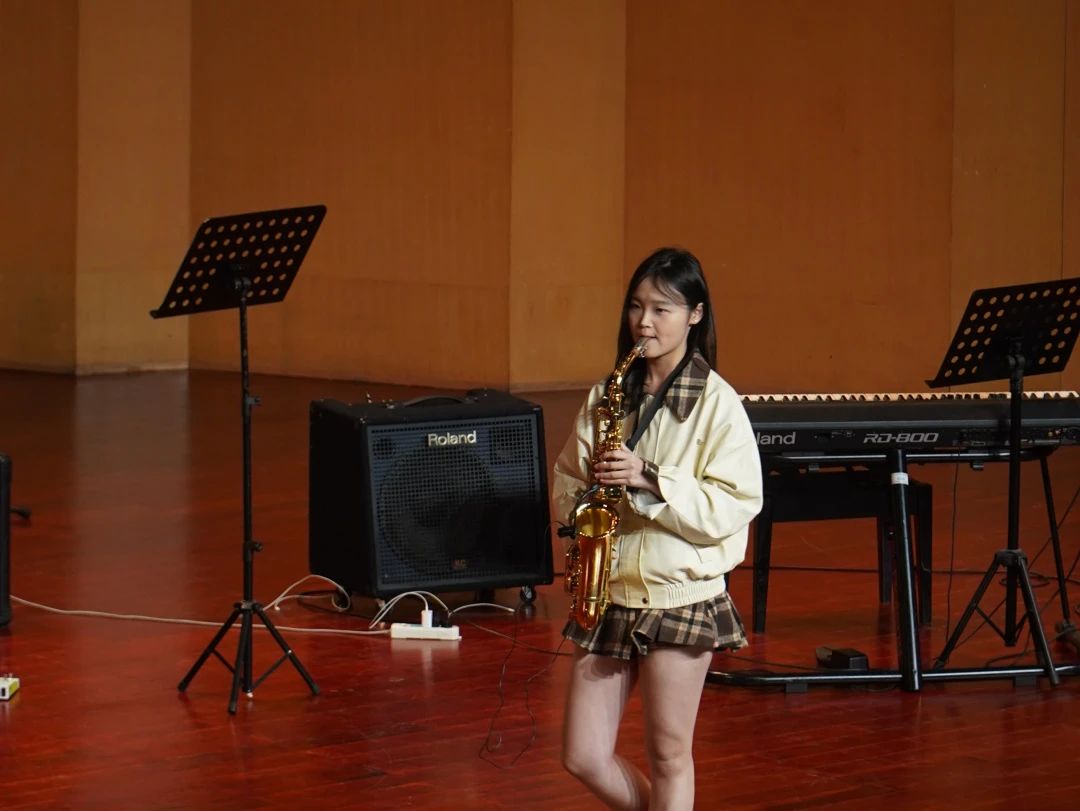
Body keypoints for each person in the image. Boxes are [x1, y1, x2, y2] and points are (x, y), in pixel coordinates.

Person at [554, 247, 763, 810]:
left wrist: (649, 477)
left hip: (679, 595)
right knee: (582, 755)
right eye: (636, 307)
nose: (643, 322)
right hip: (609, 591)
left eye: (661, 310)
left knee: (668, 754)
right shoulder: (609, 394)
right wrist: (584, 505)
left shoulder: (718, 405)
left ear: (695, 315)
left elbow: (736, 504)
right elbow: (567, 476)